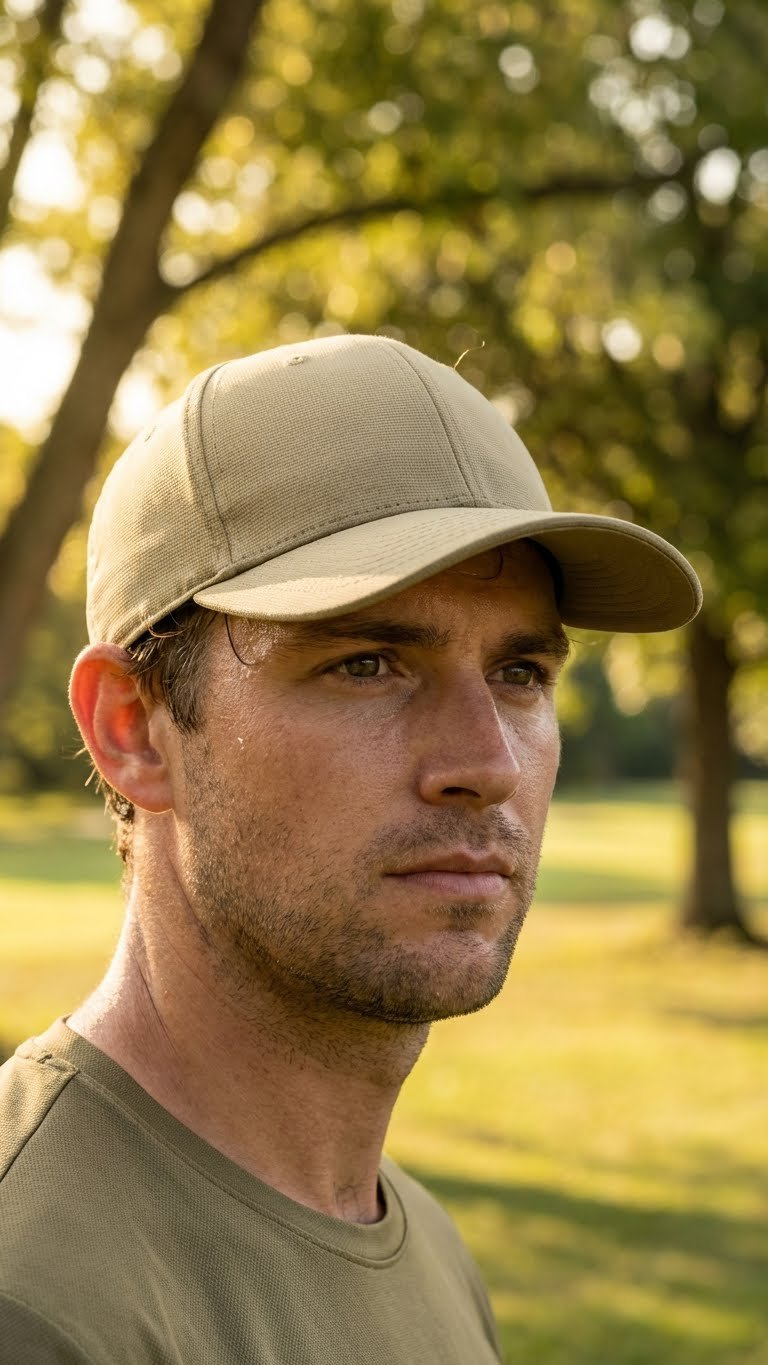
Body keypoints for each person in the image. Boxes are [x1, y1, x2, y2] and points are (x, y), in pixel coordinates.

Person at [0, 334, 701, 1363]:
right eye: (367, 664)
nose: (486, 763)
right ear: (133, 730)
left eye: (520, 672)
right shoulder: (38, 1297)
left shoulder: (418, 1245)